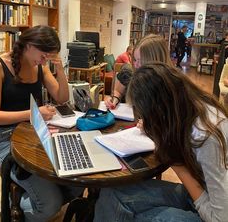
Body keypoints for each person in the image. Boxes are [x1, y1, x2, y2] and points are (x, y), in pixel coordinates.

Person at [94, 62, 228, 222]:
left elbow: (220, 218)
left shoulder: (205, 135)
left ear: (160, 110)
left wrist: (177, 165)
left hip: (214, 211)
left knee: (138, 215)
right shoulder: (187, 109)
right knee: (113, 192)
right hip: (203, 193)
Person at [0, 25, 82, 221]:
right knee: (50, 205)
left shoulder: (40, 66)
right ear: (30, 45)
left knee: (78, 181)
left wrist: (59, 70)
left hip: (37, 134)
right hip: (7, 141)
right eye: (44, 55)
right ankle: (16, 207)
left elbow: (61, 97)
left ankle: (27, 197)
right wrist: (33, 114)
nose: (44, 61)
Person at [105, 34, 172, 109]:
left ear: (156, 60)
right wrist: (114, 99)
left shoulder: (174, 84)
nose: (135, 65)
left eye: (140, 61)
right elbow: (118, 91)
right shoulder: (128, 73)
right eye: (135, 60)